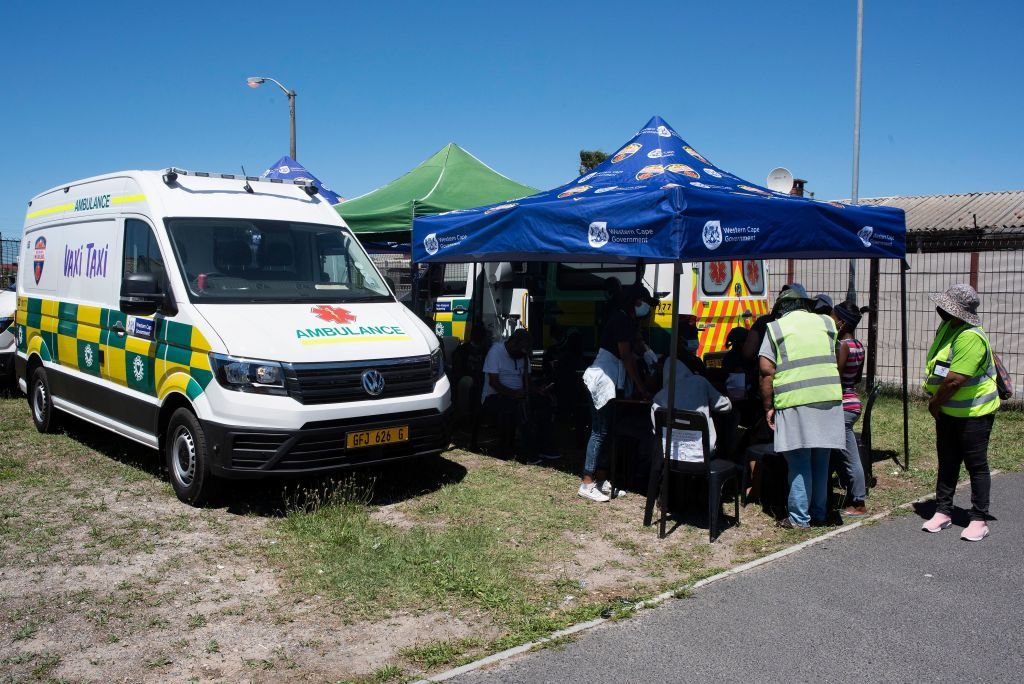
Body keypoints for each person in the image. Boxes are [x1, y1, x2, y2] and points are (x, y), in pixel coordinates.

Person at [758, 284, 845, 528]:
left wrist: (768, 406)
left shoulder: (775, 328)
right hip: (828, 399)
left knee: (798, 460)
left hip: (794, 401)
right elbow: (837, 357)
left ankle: (799, 518)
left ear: (782, 308)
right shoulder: (827, 323)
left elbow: (766, 371)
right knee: (821, 460)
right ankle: (819, 513)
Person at [921, 284, 1000, 541]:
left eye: (945, 305)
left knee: (976, 465)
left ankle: (979, 518)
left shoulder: (970, 336)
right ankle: (943, 511)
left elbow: (955, 379)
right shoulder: (948, 327)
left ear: (957, 311)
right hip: (948, 411)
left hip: (974, 413)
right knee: (947, 461)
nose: (940, 308)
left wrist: (934, 403)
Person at [580, 284, 656, 502]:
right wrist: (641, 387)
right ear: (636, 301)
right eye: (645, 303)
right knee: (599, 431)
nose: (646, 308)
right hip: (601, 380)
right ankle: (587, 481)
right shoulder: (621, 320)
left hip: (612, 381)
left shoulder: (628, 321)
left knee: (609, 431)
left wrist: (650, 355)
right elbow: (626, 356)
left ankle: (602, 479)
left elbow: (638, 343)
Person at [481, 328, 558, 464]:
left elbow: (527, 380)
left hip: (520, 394)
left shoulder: (522, 356)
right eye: (521, 351)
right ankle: (529, 452)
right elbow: (494, 383)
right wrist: (514, 393)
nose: (522, 355)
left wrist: (537, 390)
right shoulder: (496, 352)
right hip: (496, 396)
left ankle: (544, 447)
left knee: (543, 403)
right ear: (512, 343)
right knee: (518, 407)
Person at [653, 354, 733, 458]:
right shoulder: (700, 382)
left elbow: (657, 432)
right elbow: (726, 406)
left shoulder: (658, 398)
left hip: (672, 454)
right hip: (703, 452)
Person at [832, 301, 868, 517]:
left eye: (834, 318)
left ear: (842, 323)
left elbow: (836, 378)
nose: (832, 322)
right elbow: (855, 378)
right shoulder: (859, 345)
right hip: (853, 401)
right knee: (840, 452)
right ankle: (850, 494)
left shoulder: (843, 346)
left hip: (843, 406)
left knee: (850, 456)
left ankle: (859, 502)